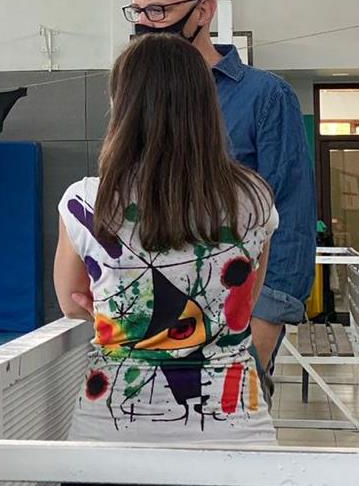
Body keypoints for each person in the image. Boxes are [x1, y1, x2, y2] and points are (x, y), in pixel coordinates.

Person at [54, 33, 278, 450]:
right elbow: (243, 303)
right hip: (235, 430)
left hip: (110, 431)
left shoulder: (86, 201)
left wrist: (121, 312)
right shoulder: (254, 198)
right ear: (206, 105)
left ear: (122, 105)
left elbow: (71, 302)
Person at [123, 0, 316, 399]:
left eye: (158, 11)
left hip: (236, 322)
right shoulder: (135, 99)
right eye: (138, 12)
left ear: (204, 11)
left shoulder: (265, 97)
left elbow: (291, 214)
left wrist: (264, 326)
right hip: (148, 323)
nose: (146, 24)